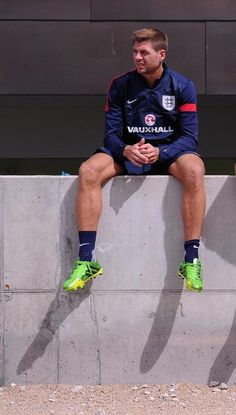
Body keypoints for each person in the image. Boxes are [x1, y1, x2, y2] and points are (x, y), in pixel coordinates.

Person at [63, 28, 205, 292]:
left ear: (161, 55)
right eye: (134, 52)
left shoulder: (183, 85)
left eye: (144, 52)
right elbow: (110, 135)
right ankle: (86, 260)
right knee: (88, 170)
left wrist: (161, 153)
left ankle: (192, 259)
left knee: (195, 169)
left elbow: (189, 137)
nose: (137, 57)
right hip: (127, 152)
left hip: (167, 154)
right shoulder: (120, 85)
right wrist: (126, 150)